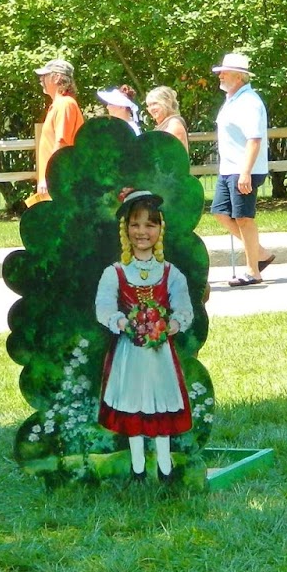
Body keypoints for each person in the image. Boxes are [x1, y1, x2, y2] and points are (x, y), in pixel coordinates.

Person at [95, 190, 194, 482]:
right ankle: (137, 467)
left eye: (150, 225)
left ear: (159, 229)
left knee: (160, 404)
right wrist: (124, 323)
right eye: (136, 225)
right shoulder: (115, 273)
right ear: (126, 229)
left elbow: (184, 307)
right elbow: (103, 307)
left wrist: (172, 325)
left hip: (160, 355)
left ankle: (164, 466)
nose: (142, 232)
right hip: (129, 355)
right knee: (134, 404)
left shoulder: (170, 273)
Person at [211, 53, 274, 287]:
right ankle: (260, 254)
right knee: (220, 212)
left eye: (225, 72)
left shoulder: (250, 102)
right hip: (229, 168)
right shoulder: (232, 99)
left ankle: (253, 272)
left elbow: (254, 139)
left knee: (243, 218)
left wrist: (245, 172)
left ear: (239, 76)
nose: (220, 75)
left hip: (243, 168)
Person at [29, 57, 84, 206]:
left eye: (44, 76)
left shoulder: (65, 104)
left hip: (61, 181)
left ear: (57, 77)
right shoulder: (59, 104)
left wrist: (49, 177)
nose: (41, 80)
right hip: (58, 180)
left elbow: (62, 144)